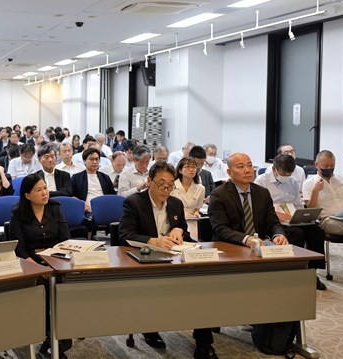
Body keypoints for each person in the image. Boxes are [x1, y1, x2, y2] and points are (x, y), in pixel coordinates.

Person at [119, 161, 216, 359]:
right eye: (161, 184)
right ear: (149, 181)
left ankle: (204, 343)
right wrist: (152, 240)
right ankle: (150, 328)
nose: (166, 189)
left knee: (203, 287)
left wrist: (179, 230)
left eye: (170, 185)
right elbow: (124, 235)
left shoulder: (175, 202)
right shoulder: (134, 202)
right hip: (146, 261)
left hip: (175, 259)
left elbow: (183, 229)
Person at [9, 173, 72, 357]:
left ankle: (60, 337)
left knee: (69, 287)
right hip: (30, 262)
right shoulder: (18, 212)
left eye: (45, 188)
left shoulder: (55, 207)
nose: (45, 193)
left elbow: (65, 240)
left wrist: (56, 263)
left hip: (56, 259)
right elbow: (19, 248)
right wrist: (37, 269)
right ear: (27, 195)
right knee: (43, 289)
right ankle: (50, 336)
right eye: (39, 190)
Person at [255, 154, 326, 289]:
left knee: (317, 232)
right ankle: (293, 270)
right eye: (283, 174)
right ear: (274, 169)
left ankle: (312, 272)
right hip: (272, 221)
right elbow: (258, 208)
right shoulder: (262, 181)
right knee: (296, 233)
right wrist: (276, 214)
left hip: (292, 219)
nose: (286, 177)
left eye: (289, 174)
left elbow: (298, 205)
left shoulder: (292, 182)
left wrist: (301, 216)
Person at [209, 152, 288, 247]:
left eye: (250, 166)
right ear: (229, 172)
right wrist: (246, 239)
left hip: (260, 245)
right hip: (230, 245)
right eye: (241, 167)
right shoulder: (219, 194)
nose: (247, 170)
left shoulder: (262, 193)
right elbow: (220, 228)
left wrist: (278, 235)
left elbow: (273, 222)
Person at [303, 150, 343, 235]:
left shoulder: (340, 180)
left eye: (332, 165)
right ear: (316, 164)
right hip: (328, 220)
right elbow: (311, 210)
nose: (329, 168)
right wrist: (315, 191)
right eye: (326, 165)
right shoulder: (309, 183)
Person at [71, 147, 115, 213]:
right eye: (91, 159)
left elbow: (112, 196)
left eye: (97, 159)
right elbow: (72, 196)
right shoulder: (76, 178)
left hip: (104, 209)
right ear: (84, 161)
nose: (94, 162)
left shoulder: (105, 177)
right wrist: (81, 204)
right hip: (86, 210)